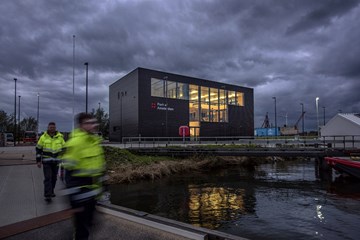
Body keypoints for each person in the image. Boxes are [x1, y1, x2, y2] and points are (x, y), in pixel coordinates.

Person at [61, 113, 105, 240]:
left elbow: (100, 168)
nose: (93, 125)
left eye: (93, 122)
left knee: (91, 224)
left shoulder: (95, 142)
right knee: (82, 229)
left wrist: (103, 190)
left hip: (93, 194)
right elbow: (68, 174)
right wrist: (74, 200)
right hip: (81, 195)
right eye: (89, 123)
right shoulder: (75, 143)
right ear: (81, 125)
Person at [36, 122, 65, 202]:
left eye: (53, 127)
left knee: (54, 178)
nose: (52, 128)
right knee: (48, 178)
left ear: (55, 128)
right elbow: (38, 149)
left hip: (56, 162)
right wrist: (38, 161)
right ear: (48, 128)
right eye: (50, 127)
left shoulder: (60, 138)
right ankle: (47, 195)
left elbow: (64, 149)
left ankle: (51, 191)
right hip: (46, 162)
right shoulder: (43, 137)